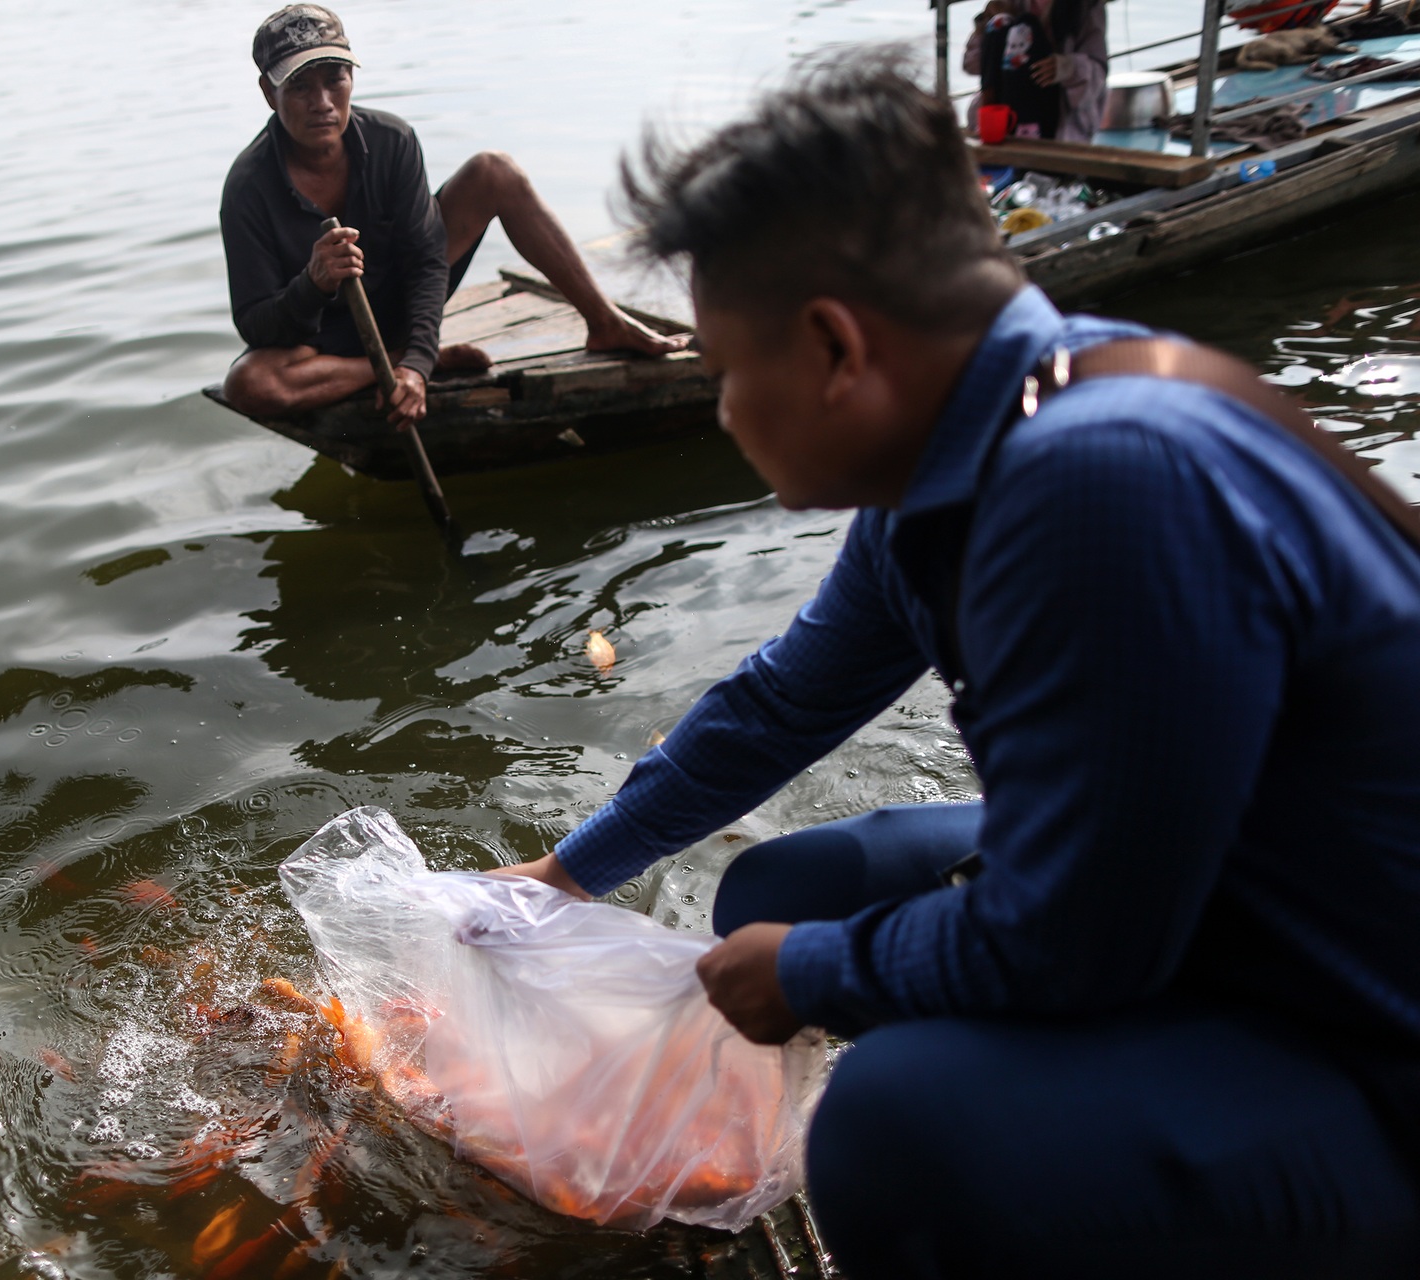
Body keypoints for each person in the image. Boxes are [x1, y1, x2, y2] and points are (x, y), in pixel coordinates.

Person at [491, 50, 1420, 1279]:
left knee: (893, 1127)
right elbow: (779, 705)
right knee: (779, 887)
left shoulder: (1104, 480)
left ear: (832, 347)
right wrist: (566, 874)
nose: (722, 411)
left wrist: (819, 972)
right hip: (1213, 894)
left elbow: (1081, 943)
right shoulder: (975, 458)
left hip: (1366, 1030)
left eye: (723, 373)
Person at [218, 5, 683, 429]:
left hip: (400, 305)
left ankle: (606, 322)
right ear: (268, 92)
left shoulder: (391, 140)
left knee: (494, 172)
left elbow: (425, 263)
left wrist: (414, 369)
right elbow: (257, 326)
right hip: (323, 345)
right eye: (299, 86)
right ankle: (400, 359)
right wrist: (314, 284)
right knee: (248, 385)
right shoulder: (247, 187)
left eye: (334, 78)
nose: (322, 101)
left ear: (352, 80)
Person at [966, 0, 1108, 141]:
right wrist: (986, 25)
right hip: (1003, 116)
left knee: (1025, 22)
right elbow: (972, 63)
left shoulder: (1086, 7)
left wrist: (1065, 67)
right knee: (1002, 21)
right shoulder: (1008, 4)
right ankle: (989, 121)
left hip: (1058, 125)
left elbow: (1098, 77)